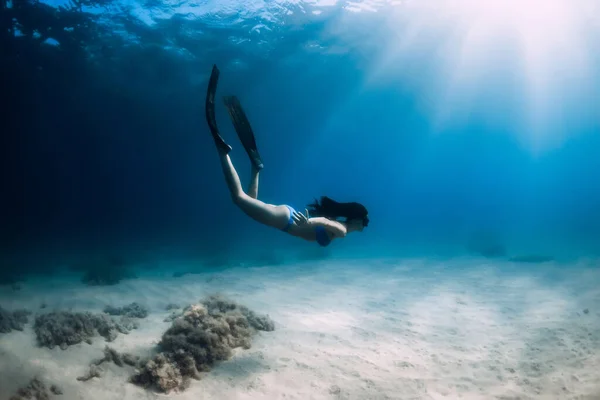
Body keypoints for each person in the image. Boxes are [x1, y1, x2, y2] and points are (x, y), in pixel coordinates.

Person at [205, 64, 369, 247]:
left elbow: (326, 222)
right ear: (357, 220)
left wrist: (310, 223)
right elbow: (325, 222)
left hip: (287, 216)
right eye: (365, 221)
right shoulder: (343, 230)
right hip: (286, 221)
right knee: (238, 198)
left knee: (248, 203)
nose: (365, 226)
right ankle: (223, 153)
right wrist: (310, 223)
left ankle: (256, 169)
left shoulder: (339, 223)